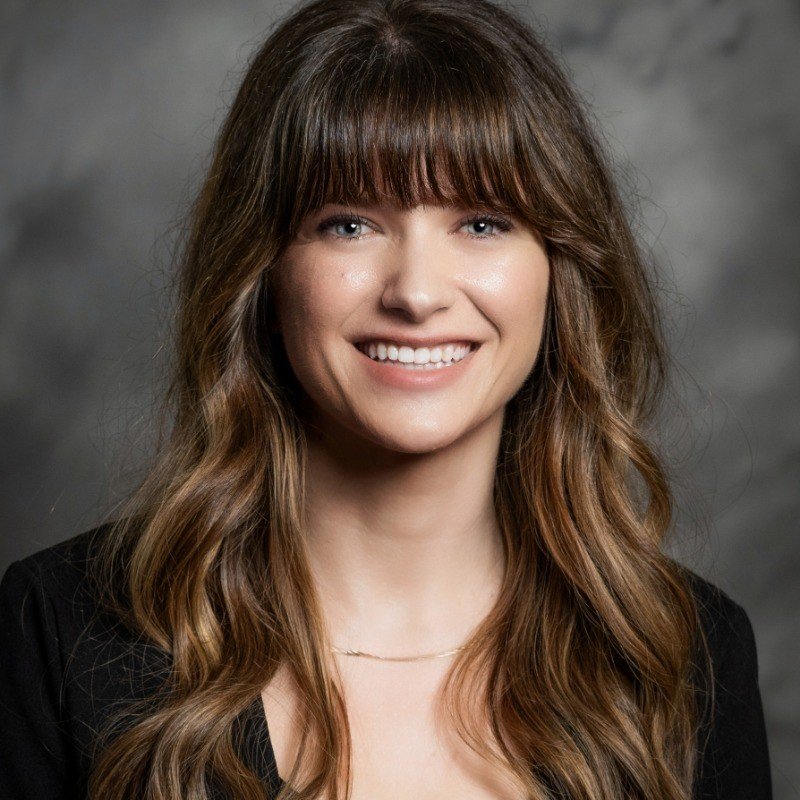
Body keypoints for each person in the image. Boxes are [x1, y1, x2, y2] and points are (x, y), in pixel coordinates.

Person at [0, 0, 772, 798]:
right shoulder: (62, 632)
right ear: (262, 272)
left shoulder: (683, 657)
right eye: (349, 225)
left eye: (481, 221)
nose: (416, 293)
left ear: (560, 268)